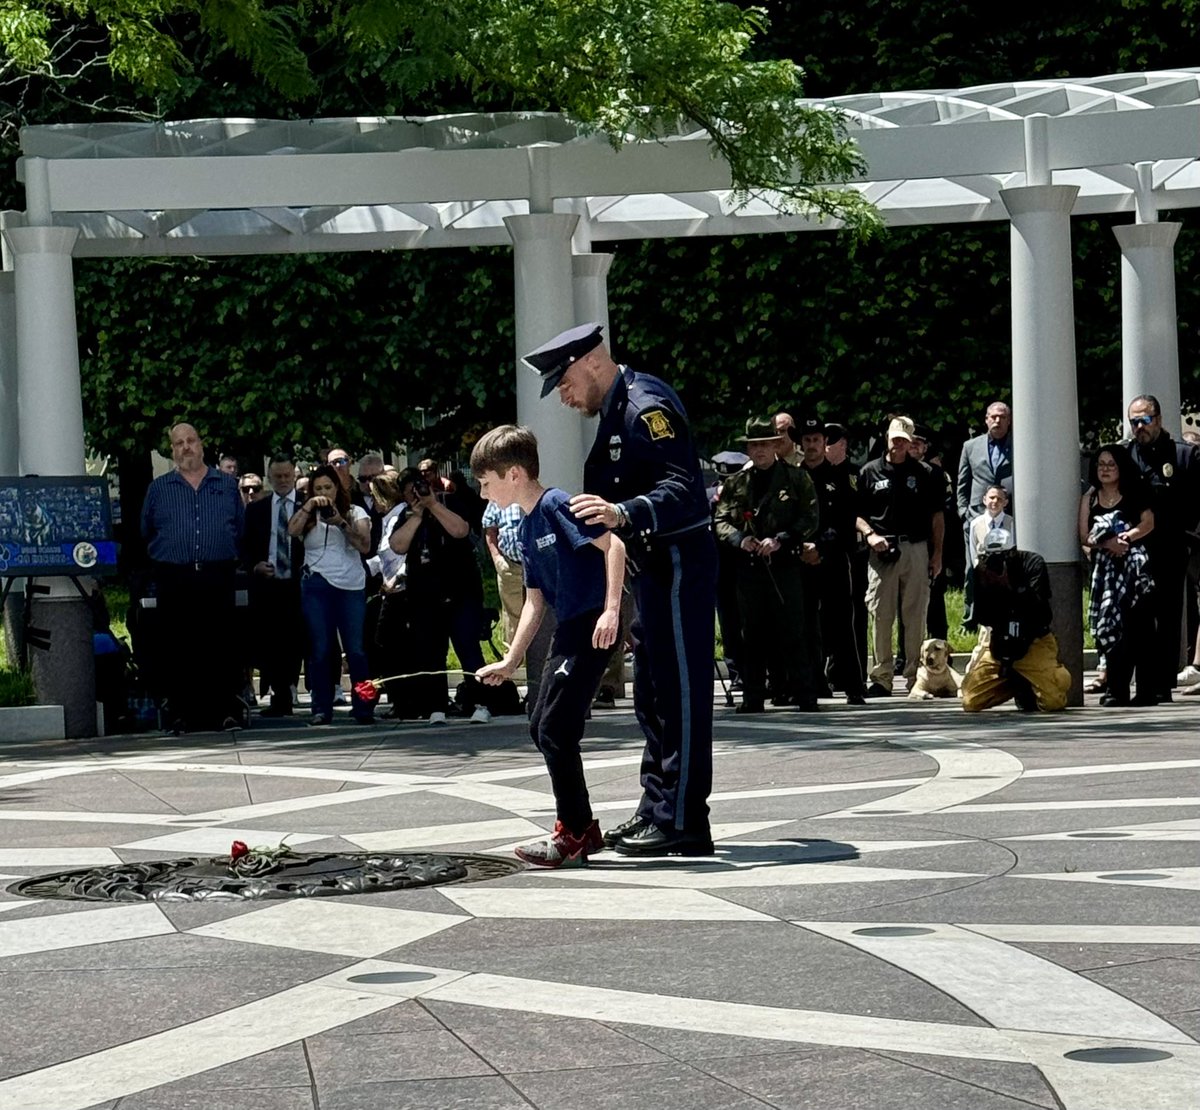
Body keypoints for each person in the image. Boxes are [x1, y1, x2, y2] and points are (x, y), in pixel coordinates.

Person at [525, 322, 717, 857]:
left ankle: (683, 820)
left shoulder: (642, 407)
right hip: (652, 569)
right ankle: (658, 808)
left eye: (563, 380)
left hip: (679, 564)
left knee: (678, 694)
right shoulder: (615, 410)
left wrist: (624, 512)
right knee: (653, 694)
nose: (562, 394)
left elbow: (683, 489)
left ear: (591, 361)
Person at [473, 425, 625, 866]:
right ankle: (585, 827)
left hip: (591, 625)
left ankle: (573, 832)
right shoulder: (523, 525)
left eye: (487, 483)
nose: (484, 494)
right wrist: (510, 660)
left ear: (514, 474)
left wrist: (611, 610)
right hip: (567, 629)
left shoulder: (556, 504)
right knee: (539, 722)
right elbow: (535, 603)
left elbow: (612, 546)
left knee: (556, 729)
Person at [140, 422, 245, 731]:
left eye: (190, 441)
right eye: (178, 443)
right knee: (178, 647)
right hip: (175, 576)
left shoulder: (226, 485)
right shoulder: (159, 489)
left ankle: (225, 712)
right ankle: (182, 714)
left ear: (201, 444)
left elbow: (239, 528)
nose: (186, 447)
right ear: (172, 451)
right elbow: (145, 531)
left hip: (217, 574)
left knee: (221, 646)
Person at [714, 416, 820, 713]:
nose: (759, 451)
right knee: (752, 635)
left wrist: (782, 539)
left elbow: (810, 517)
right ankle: (753, 696)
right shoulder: (736, 483)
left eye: (764, 444)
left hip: (784, 564)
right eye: (754, 446)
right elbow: (720, 520)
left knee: (794, 631)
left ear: (776, 445)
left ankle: (805, 694)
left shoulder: (796, 478)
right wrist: (739, 539)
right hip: (748, 568)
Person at [389, 467, 493, 723]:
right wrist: (417, 514)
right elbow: (398, 545)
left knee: (468, 647)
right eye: (410, 492)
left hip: (460, 589)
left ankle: (480, 702)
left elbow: (460, 530)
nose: (417, 494)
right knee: (431, 651)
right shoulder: (406, 514)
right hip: (425, 594)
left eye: (419, 488)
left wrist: (433, 505)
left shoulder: (450, 502)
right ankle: (436, 705)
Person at [855, 416, 944, 696]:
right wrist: (870, 534)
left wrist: (937, 554)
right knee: (881, 614)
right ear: (887, 438)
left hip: (916, 548)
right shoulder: (869, 472)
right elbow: (855, 514)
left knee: (915, 615)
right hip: (881, 551)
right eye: (895, 439)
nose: (899, 444)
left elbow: (937, 516)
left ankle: (914, 676)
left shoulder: (925, 474)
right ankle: (881, 676)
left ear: (912, 442)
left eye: (905, 440)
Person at [1125, 394, 1200, 702]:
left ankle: (1162, 683)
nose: (1138, 427)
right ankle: (1140, 681)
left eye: (1143, 421)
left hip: (1170, 546)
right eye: (1133, 422)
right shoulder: (1125, 455)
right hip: (1134, 550)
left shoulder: (1184, 456)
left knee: (1168, 617)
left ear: (1157, 419)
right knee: (1136, 615)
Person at [287, 463, 374, 725]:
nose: (324, 492)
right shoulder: (309, 514)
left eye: (328, 487)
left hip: (350, 586)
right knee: (321, 648)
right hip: (316, 583)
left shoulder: (355, 512)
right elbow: (291, 531)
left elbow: (364, 545)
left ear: (338, 488)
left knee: (356, 650)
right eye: (318, 489)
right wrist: (309, 506)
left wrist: (340, 522)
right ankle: (321, 707)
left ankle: (364, 706)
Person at [793, 415, 867, 705]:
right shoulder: (792, 477)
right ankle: (811, 684)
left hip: (832, 559)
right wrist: (801, 547)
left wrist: (820, 547)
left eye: (816, 440)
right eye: (807, 440)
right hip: (800, 561)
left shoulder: (840, 477)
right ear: (801, 443)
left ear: (825, 444)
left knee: (841, 623)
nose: (811, 445)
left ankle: (853, 685)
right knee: (805, 624)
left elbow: (846, 520)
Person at [1079, 444, 1155, 706]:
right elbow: (1084, 536)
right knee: (1110, 628)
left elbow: (1148, 523)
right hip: (1105, 572)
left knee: (1139, 629)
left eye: (1111, 464)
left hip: (1135, 571)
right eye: (1101, 464)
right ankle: (1116, 689)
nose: (1106, 469)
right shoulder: (1089, 497)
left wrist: (1126, 537)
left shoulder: (1134, 491)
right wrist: (1106, 543)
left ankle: (1146, 692)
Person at [961, 529, 1071, 712]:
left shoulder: (1032, 563)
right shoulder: (981, 572)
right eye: (990, 557)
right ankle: (1019, 683)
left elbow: (1040, 611)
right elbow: (982, 616)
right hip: (1000, 642)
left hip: (1034, 641)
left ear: (1012, 552)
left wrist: (1010, 588)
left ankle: (1037, 680)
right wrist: (988, 585)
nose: (995, 563)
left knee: (1053, 702)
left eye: (1001, 557)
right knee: (970, 701)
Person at [242, 454, 305, 716]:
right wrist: (254, 565)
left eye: (286, 476)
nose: (282, 481)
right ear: (269, 478)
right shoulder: (257, 509)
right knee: (271, 642)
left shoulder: (306, 506)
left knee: (296, 640)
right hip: (268, 584)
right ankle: (280, 697)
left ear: (294, 476)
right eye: (277, 476)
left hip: (298, 583)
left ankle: (293, 688)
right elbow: (245, 547)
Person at [956, 401, 1014, 628]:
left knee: (1007, 568)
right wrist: (963, 513)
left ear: (1009, 421)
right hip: (976, 518)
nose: (997, 421)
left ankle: (1005, 613)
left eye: (1002, 417)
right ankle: (970, 619)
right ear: (986, 419)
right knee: (973, 568)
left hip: (1007, 518)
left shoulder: (1019, 444)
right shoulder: (971, 447)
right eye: (993, 417)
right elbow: (963, 481)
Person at [482, 498, 526, 659]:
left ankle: (541, 662)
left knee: (543, 616)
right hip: (510, 565)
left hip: (538, 566)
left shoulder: (537, 495)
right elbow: (490, 529)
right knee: (512, 615)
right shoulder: (497, 497)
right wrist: (497, 559)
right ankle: (513, 663)